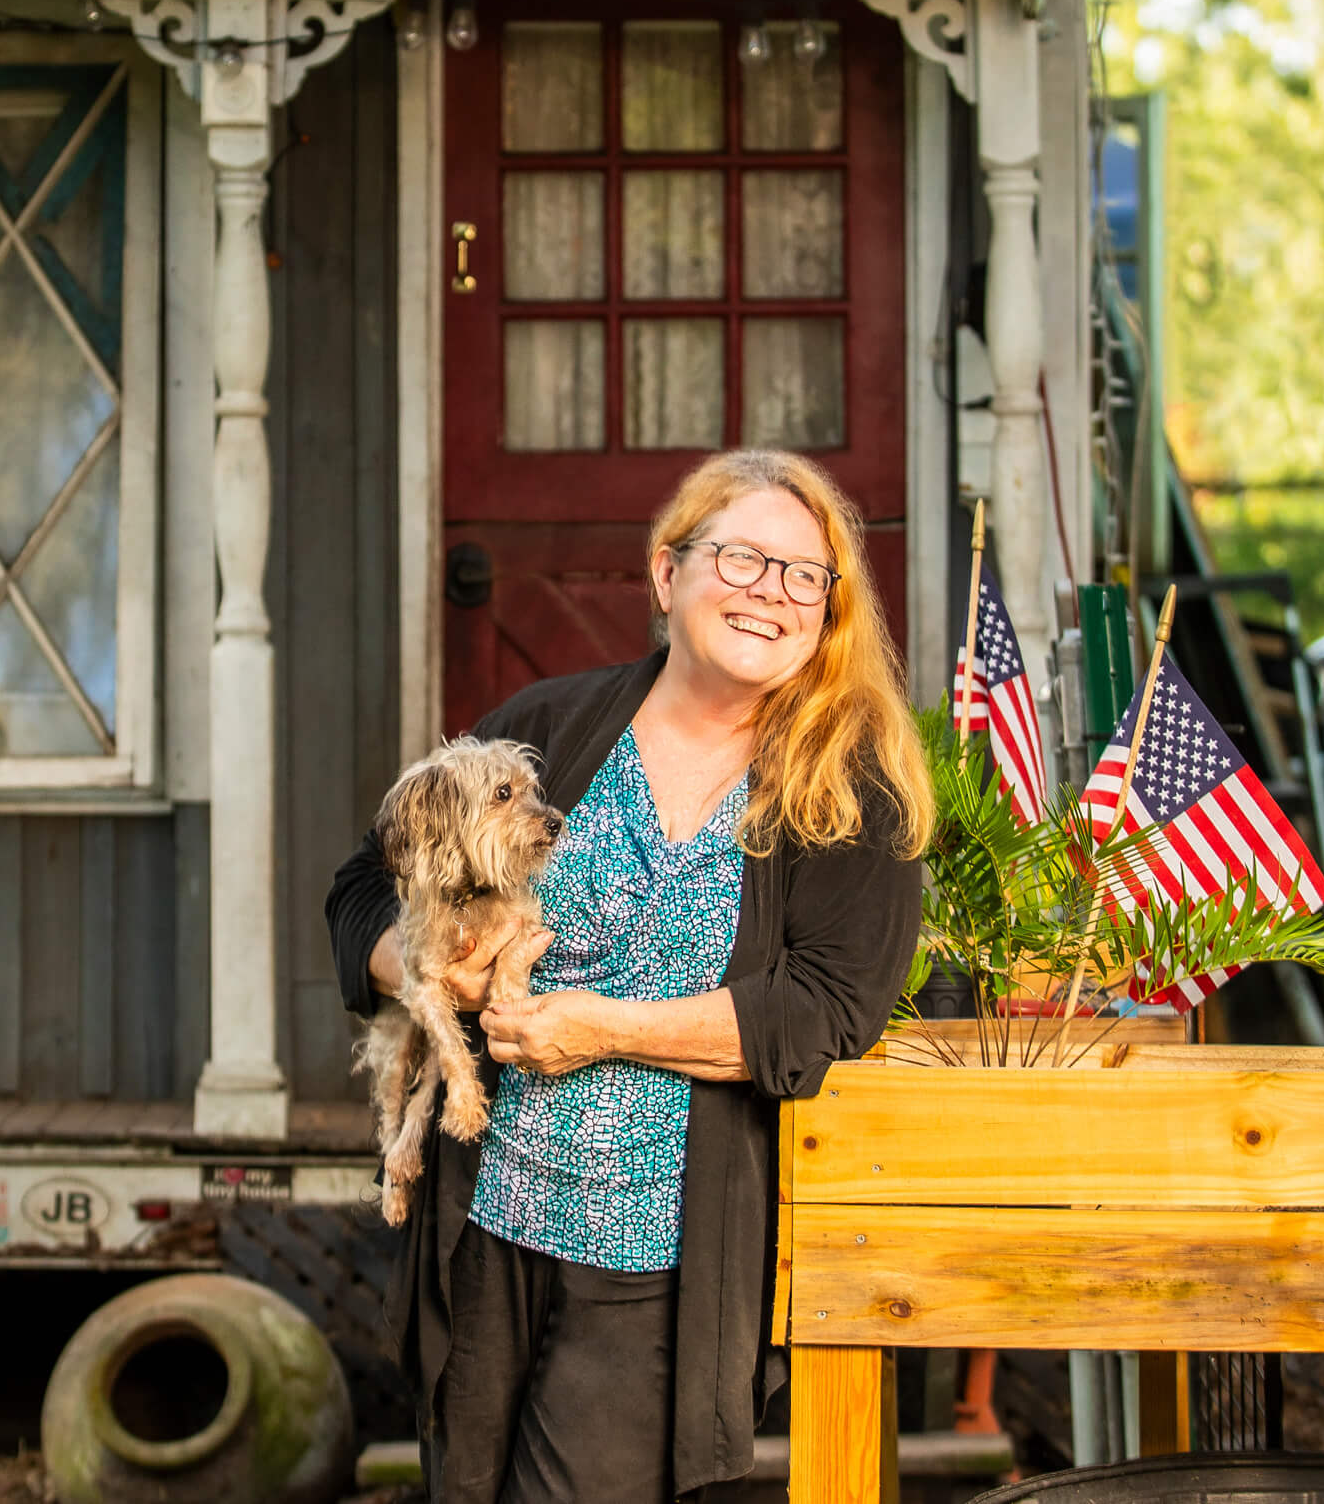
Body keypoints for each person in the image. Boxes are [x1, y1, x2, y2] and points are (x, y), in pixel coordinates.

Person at [326, 445, 934, 1504]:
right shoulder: (552, 731)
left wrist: (604, 1027)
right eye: (742, 559)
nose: (771, 593)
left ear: (829, 612)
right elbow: (362, 885)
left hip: (658, 1250)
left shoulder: (849, 793)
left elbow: (826, 1008)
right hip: (489, 1221)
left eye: (804, 575)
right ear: (669, 575)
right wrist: (426, 966)